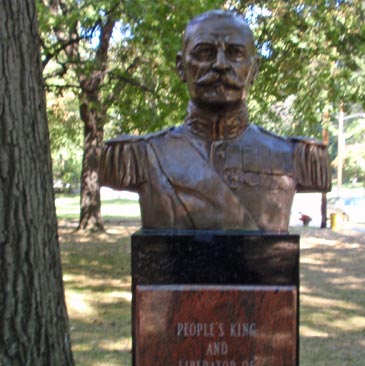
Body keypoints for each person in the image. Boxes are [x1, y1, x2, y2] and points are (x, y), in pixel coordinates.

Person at [100, 10, 330, 231]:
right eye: (204, 53)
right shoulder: (137, 157)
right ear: (181, 67)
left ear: (255, 69)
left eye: (235, 53)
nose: (220, 64)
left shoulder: (297, 157)